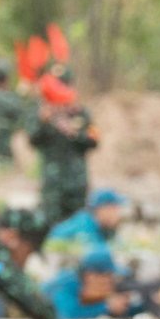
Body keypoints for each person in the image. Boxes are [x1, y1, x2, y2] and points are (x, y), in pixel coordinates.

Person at [29, 65, 97, 222]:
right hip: (52, 182)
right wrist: (43, 123)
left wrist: (75, 134)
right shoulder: (42, 112)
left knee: (78, 223)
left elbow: (93, 141)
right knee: (51, 224)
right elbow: (33, 141)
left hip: (77, 180)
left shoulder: (81, 112)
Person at [43, 246, 156, 319]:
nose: (110, 284)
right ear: (90, 276)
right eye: (108, 278)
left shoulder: (85, 287)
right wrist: (105, 307)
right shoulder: (66, 286)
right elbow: (67, 317)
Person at [45, 187, 129, 260]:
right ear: (103, 209)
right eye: (114, 208)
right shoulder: (84, 226)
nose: (118, 213)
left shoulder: (102, 225)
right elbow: (97, 253)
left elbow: (119, 245)